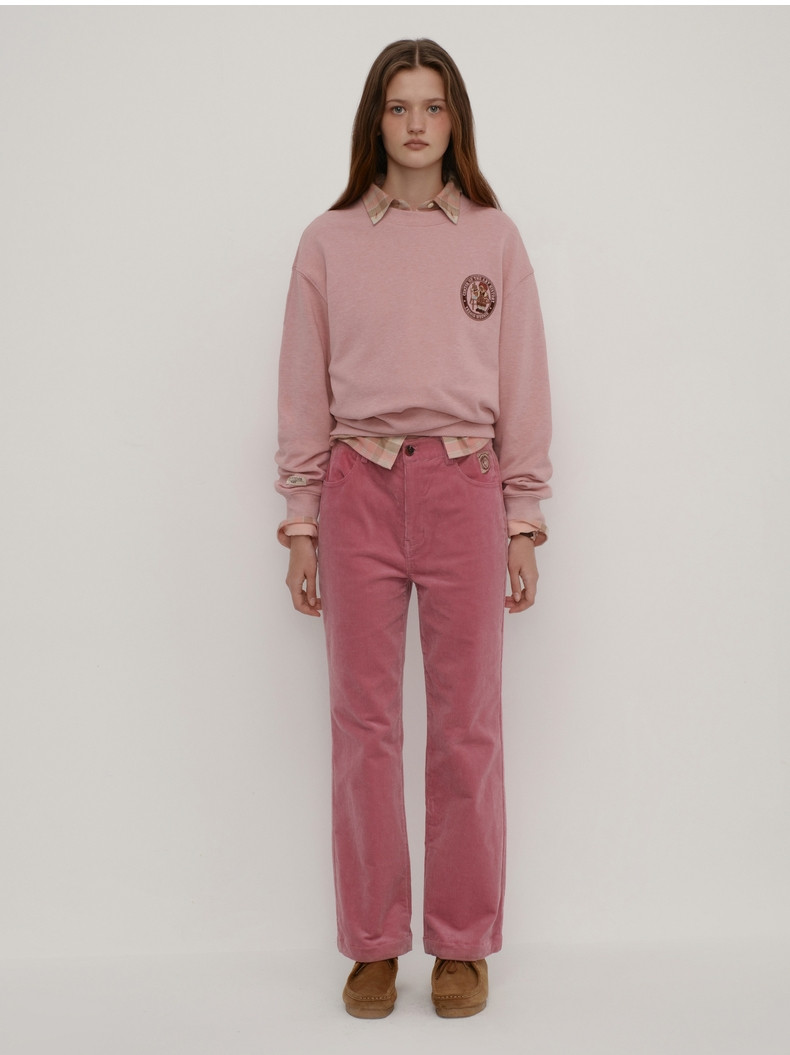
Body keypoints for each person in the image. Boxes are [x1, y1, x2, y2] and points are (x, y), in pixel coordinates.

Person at [275, 38, 552, 1019]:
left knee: (467, 726)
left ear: (455, 120)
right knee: (364, 728)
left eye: (433, 106)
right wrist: (301, 523)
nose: (417, 124)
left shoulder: (494, 238)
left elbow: (522, 381)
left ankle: (462, 942)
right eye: (399, 107)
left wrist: (523, 517)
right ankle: (374, 941)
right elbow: (302, 389)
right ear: (375, 121)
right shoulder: (328, 241)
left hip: (465, 488)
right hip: (357, 488)